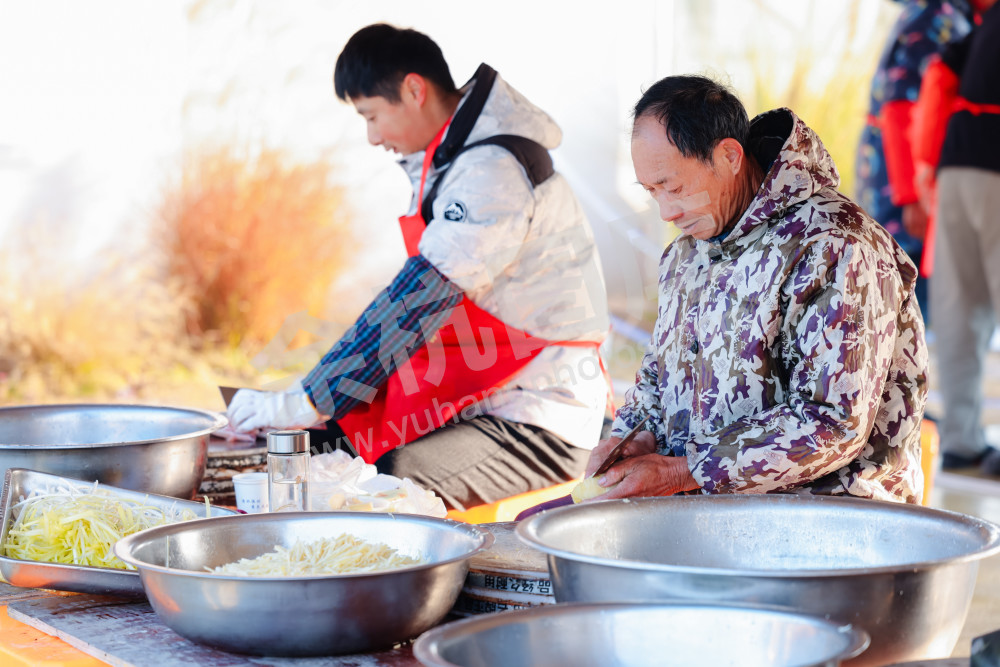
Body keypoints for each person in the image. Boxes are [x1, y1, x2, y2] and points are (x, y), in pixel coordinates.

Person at [226, 23, 611, 510]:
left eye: (371, 116)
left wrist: (304, 399)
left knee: (390, 482)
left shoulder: (492, 171)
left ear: (413, 89)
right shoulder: (452, 162)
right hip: (479, 392)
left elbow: (417, 299)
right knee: (328, 444)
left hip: (540, 414)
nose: (371, 137)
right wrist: (314, 412)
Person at [580, 75, 928, 504]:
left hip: (831, 523)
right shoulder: (687, 255)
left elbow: (832, 422)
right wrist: (635, 437)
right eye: (652, 192)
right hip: (712, 516)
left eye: (673, 187)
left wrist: (685, 471)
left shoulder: (836, 244)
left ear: (728, 156)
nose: (667, 211)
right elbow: (657, 376)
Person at [917, 0, 1000, 474]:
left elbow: (937, 83)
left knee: (958, 304)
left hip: (956, 165)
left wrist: (929, 168)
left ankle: (964, 442)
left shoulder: (976, 30)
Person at [855, 0, 976, 322]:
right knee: (907, 295)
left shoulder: (943, 15)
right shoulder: (936, 17)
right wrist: (911, 197)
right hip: (901, 187)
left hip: (901, 178)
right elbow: (900, 106)